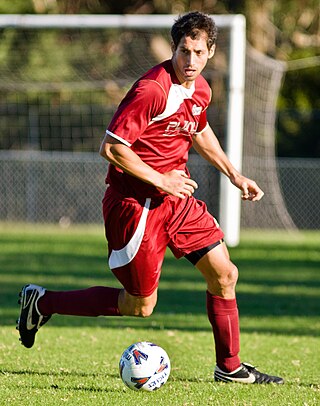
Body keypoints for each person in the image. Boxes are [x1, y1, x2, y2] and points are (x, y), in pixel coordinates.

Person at [17, 11, 283, 384]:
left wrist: (234, 174)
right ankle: (42, 302)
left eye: (198, 53)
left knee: (225, 274)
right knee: (140, 306)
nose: (190, 61)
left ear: (210, 52)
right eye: (184, 51)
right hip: (135, 207)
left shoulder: (200, 89)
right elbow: (111, 149)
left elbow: (199, 131)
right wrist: (162, 179)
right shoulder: (152, 90)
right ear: (173, 48)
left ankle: (230, 367)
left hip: (176, 201)